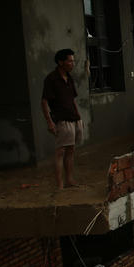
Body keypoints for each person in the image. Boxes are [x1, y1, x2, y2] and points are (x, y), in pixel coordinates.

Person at [41, 48, 83, 189]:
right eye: (70, 61)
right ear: (61, 62)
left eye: (73, 60)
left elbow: (72, 100)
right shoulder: (51, 79)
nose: (73, 63)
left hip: (73, 119)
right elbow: (44, 102)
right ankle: (59, 184)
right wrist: (50, 122)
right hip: (61, 120)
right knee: (60, 152)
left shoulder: (69, 78)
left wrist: (79, 118)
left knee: (71, 150)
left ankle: (70, 180)